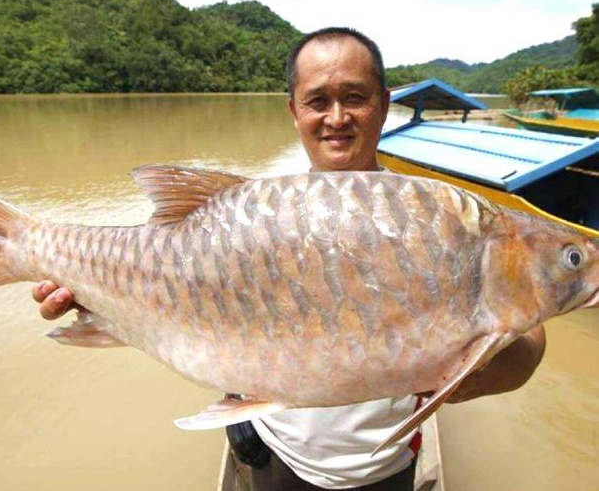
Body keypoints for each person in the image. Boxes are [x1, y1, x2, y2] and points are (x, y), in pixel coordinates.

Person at [32, 28, 546, 490]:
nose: (337, 118)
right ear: (294, 110)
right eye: (318, 100)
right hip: (271, 452)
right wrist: (101, 300)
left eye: (355, 98)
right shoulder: (249, 215)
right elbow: (176, 302)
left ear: (384, 104)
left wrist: (486, 369)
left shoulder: (437, 216)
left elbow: (527, 335)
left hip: (382, 467)